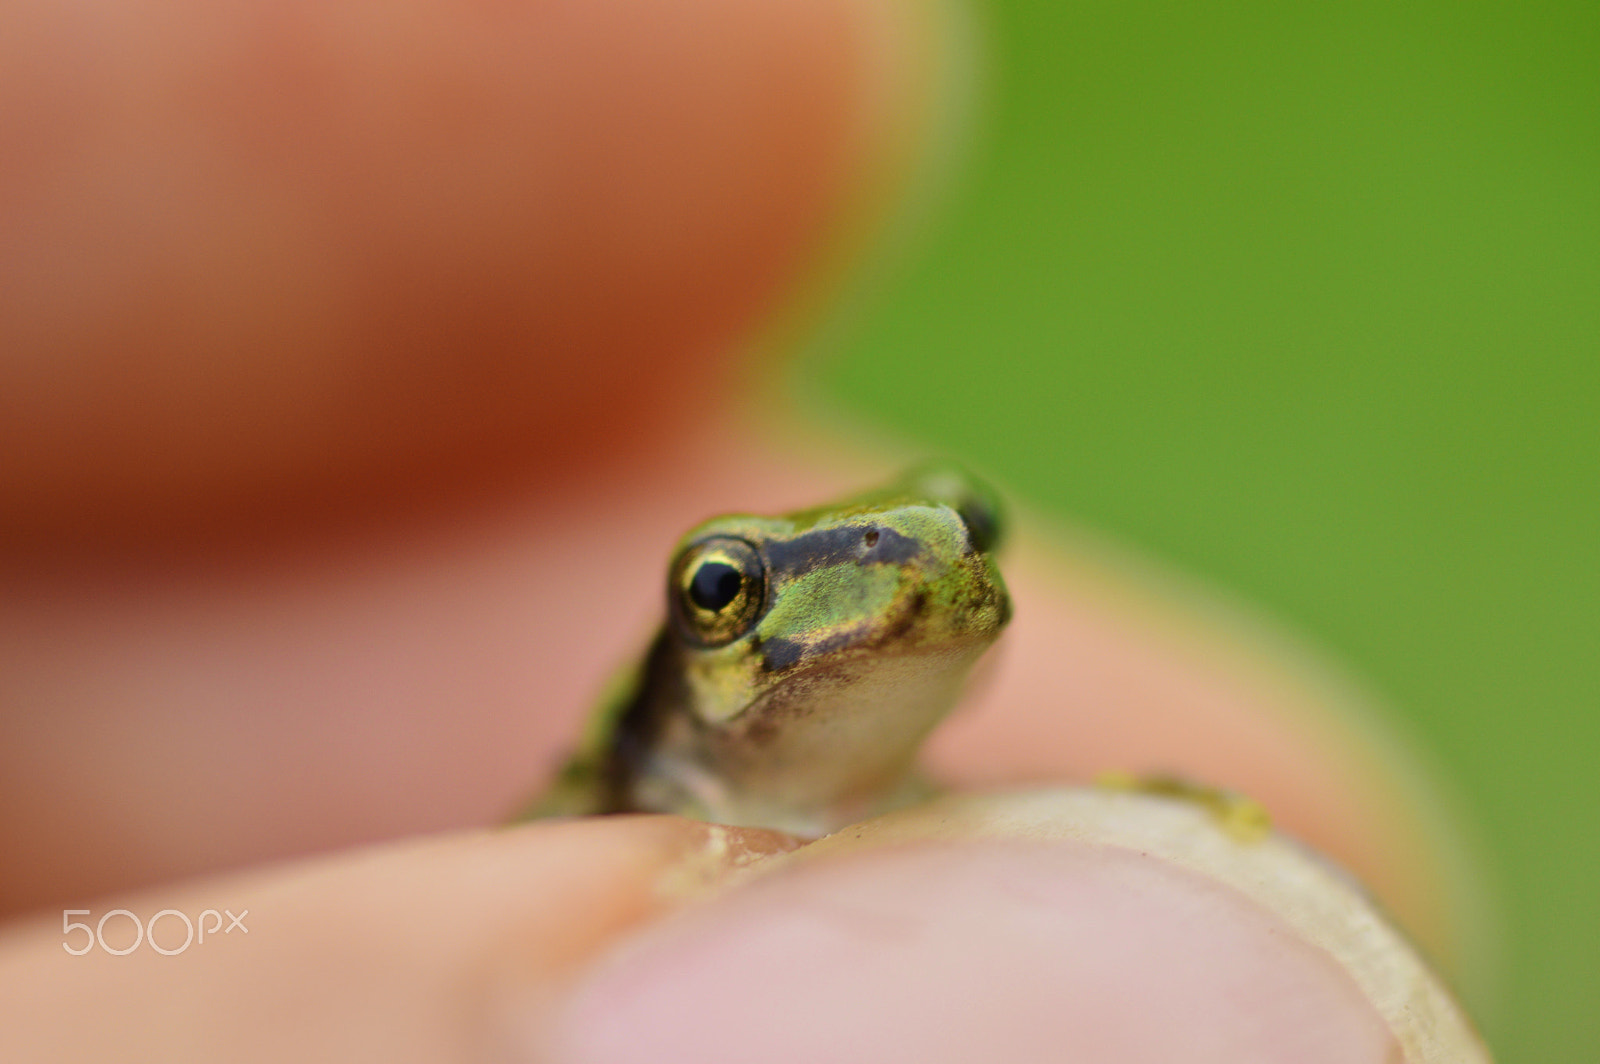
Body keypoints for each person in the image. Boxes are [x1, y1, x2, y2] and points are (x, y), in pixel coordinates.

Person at [0, 1, 1484, 1058]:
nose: (911, 572)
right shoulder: (610, 835)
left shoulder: (925, 797)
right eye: (728, 593)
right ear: (688, 660)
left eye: (962, 532)